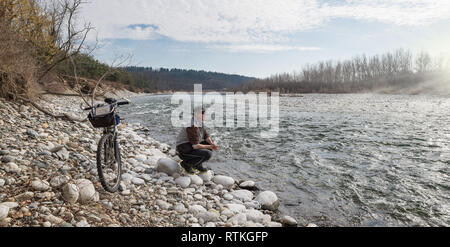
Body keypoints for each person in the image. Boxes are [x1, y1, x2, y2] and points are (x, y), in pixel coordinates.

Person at [176, 107, 219, 174]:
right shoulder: (192, 125)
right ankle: (186, 164)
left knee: (208, 145)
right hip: (183, 149)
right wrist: (210, 146)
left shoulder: (199, 122)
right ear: (196, 114)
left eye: (204, 113)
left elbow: (206, 136)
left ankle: (197, 165)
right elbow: (195, 146)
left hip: (189, 146)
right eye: (202, 113)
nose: (204, 115)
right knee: (208, 154)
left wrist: (212, 144)